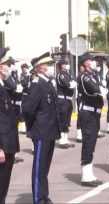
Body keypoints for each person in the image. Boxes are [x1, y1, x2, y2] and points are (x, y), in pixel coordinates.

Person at [22, 52, 60, 204]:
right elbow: (28, 109)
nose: (51, 68)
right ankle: (38, 199)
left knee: (44, 168)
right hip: (41, 131)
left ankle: (44, 196)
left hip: (50, 131)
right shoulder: (37, 84)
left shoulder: (48, 83)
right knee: (39, 169)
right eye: (48, 65)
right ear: (40, 68)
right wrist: (34, 126)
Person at [77, 52, 104, 187]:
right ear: (85, 63)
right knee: (88, 142)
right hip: (87, 113)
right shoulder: (84, 77)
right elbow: (96, 89)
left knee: (92, 142)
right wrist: (102, 89)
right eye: (91, 60)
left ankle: (89, 173)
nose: (93, 62)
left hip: (94, 113)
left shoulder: (92, 75)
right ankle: (86, 176)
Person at [0, 47, 20, 203]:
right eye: (6, 63)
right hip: (2, 148)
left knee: (3, 187)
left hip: (8, 146)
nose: (9, 66)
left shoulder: (2, 87)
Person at [56, 59, 77, 149]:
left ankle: (66, 139)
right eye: (65, 64)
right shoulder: (60, 75)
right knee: (62, 120)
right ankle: (62, 140)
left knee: (67, 121)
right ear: (61, 66)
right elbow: (69, 85)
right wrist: (72, 83)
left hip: (68, 100)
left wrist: (72, 83)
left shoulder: (68, 75)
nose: (67, 65)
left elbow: (74, 83)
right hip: (62, 100)